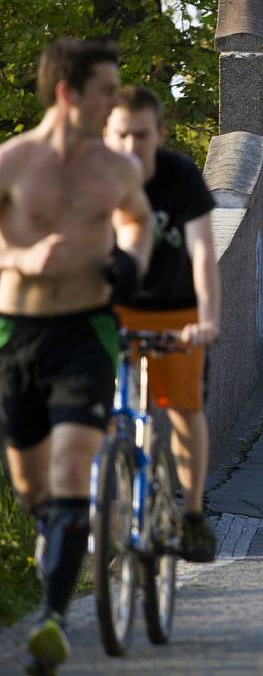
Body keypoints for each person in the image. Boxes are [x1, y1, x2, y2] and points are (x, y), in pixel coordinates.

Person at [0, 38, 153, 673]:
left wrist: (129, 260)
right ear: (68, 94)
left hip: (86, 333)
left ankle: (54, 620)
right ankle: (53, 543)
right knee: (32, 485)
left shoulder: (113, 169)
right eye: (104, 92)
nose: (113, 104)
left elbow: (138, 220)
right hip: (16, 335)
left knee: (70, 475)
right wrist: (20, 259)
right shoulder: (12, 162)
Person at [104, 85, 219, 561]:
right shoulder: (96, 177)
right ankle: (105, 517)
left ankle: (191, 514)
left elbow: (202, 255)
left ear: (160, 135)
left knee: (182, 409)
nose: (131, 146)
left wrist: (208, 319)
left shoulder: (180, 176)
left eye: (142, 135)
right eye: (122, 135)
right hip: (113, 309)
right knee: (101, 413)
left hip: (177, 312)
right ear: (107, 135)